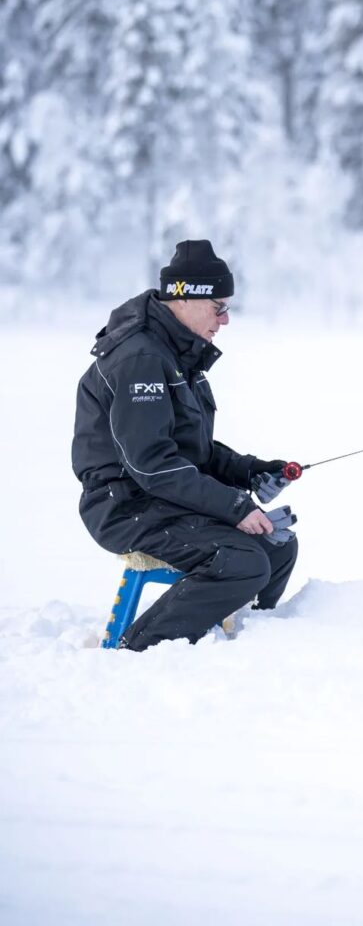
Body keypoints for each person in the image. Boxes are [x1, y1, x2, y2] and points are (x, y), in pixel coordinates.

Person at [72, 239, 297, 650]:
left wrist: (251, 470)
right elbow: (153, 464)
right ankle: (137, 650)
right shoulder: (139, 359)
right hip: (125, 505)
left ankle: (254, 646)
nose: (225, 320)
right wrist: (235, 507)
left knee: (276, 546)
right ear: (185, 298)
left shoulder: (176, 354)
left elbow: (194, 451)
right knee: (242, 562)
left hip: (160, 498)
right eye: (219, 307)